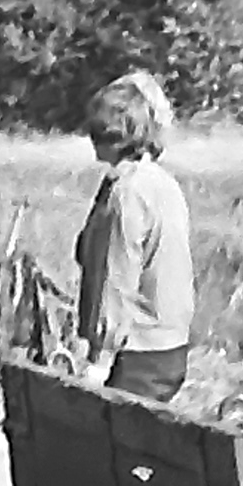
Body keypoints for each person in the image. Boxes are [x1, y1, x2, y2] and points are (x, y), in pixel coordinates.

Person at [77, 69, 194, 401]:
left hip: (135, 353)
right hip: (169, 346)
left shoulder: (127, 193)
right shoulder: (162, 183)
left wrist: (99, 361)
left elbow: (117, 280)